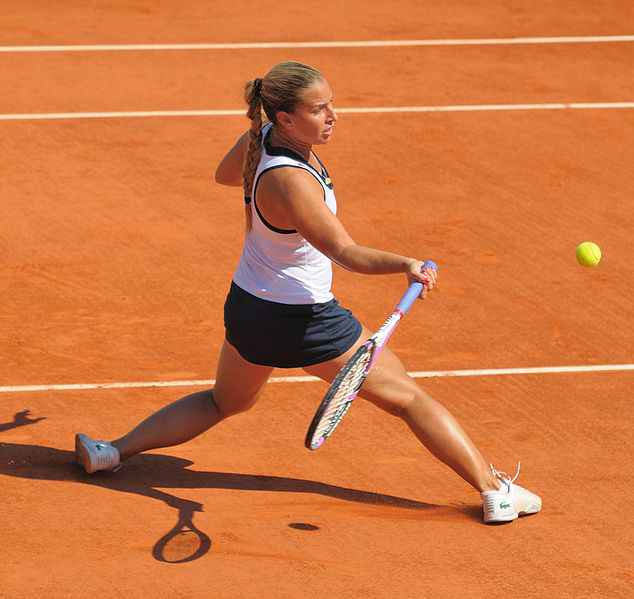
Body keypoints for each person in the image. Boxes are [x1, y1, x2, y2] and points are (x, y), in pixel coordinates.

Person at [75, 61, 541, 524]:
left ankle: (111, 452)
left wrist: (252, 151)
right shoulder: (293, 182)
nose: (333, 115)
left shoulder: (259, 141)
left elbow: (224, 174)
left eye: (331, 104)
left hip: (249, 309)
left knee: (224, 402)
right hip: (306, 321)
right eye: (319, 109)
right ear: (286, 119)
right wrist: (405, 264)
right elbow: (343, 250)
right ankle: (493, 491)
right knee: (410, 400)